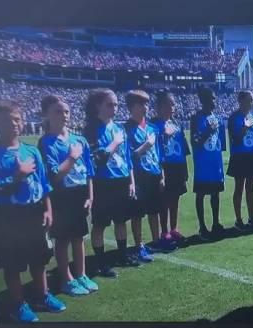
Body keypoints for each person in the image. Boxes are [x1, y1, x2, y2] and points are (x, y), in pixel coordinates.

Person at [0, 101, 65, 322]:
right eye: (7, 120)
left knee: (39, 259)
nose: (14, 124)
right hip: (9, 217)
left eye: (17, 119)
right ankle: (18, 304)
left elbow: (44, 183)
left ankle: (42, 296)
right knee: (12, 263)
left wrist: (48, 209)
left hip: (34, 212)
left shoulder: (31, 151)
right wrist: (18, 175)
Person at [39, 95, 99, 296]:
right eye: (58, 111)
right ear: (46, 115)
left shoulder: (79, 139)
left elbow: (89, 171)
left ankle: (81, 274)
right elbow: (54, 176)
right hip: (61, 196)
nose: (64, 115)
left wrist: (90, 196)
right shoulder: (46, 143)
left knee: (79, 237)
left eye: (66, 111)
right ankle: (67, 279)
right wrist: (72, 158)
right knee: (62, 239)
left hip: (80, 194)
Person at [83, 88, 138, 278]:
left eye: (116, 104)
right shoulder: (90, 129)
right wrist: (114, 143)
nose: (114, 108)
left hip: (121, 181)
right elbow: (99, 159)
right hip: (102, 183)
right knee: (100, 224)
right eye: (110, 104)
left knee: (121, 220)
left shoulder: (119, 128)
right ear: (98, 105)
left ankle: (122, 255)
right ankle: (100, 263)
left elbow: (128, 157)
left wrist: (131, 181)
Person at [124, 90, 165, 259]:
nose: (145, 107)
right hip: (139, 176)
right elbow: (129, 156)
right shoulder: (126, 129)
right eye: (141, 104)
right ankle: (139, 245)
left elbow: (158, 154)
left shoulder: (152, 128)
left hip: (154, 174)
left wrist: (162, 175)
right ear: (132, 107)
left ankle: (156, 241)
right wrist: (146, 145)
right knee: (137, 213)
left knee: (154, 211)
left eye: (147, 104)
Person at [150, 90, 190, 247]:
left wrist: (185, 169)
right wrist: (163, 135)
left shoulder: (176, 124)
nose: (173, 107)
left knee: (175, 198)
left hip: (177, 166)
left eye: (174, 104)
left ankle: (174, 228)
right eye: (169, 104)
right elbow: (152, 149)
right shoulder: (153, 126)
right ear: (160, 106)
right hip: (164, 166)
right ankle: (164, 231)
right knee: (164, 200)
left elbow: (183, 148)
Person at [190, 87, 226, 240]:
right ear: (203, 100)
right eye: (211, 98)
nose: (214, 101)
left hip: (215, 164)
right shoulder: (196, 118)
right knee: (201, 194)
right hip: (202, 165)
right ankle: (202, 226)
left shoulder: (218, 118)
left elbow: (221, 143)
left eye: (214, 98)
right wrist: (207, 131)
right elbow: (195, 142)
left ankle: (216, 223)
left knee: (215, 194)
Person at [227, 90, 253, 231]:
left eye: (252, 99)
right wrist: (245, 127)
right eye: (249, 99)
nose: (252, 102)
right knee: (239, 188)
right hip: (240, 157)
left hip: (252, 156)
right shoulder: (234, 118)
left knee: (250, 189)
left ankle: (251, 217)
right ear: (240, 101)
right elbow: (235, 139)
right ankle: (238, 220)